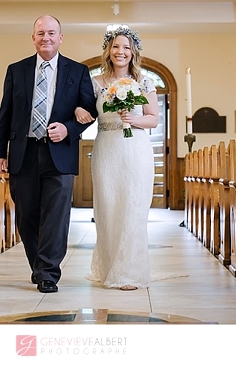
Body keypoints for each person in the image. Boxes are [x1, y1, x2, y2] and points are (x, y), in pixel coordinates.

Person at [0, 15, 97, 293]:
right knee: (27, 216)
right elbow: (5, 113)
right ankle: (38, 266)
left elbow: (90, 111)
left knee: (56, 217)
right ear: (33, 38)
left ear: (60, 38)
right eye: (40, 33)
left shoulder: (77, 71)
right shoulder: (17, 70)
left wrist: (68, 128)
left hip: (60, 153)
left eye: (51, 33)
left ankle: (48, 273)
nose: (46, 38)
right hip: (23, 152)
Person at [74, 25, 159, 290]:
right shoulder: (96, 82)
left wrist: (133, 119)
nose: (120, 52)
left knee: (133, 208)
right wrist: (77, 110)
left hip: (136, 150)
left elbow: (153, 119)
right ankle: (109, 267)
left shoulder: (144, 81)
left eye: (126, 47)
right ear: (108, 51)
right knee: (108, 207)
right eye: (116, 47)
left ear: (133, 52)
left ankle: (129, 272)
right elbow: (84, 110)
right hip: (107, 149)